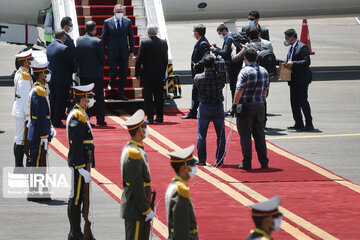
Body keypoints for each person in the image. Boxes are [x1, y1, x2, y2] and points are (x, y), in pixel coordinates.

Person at [66, 83, 96, 240]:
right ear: (83, 99)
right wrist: (80, 168)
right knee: (76, 196)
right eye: (89, 97)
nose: (91, 100)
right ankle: (75, 232)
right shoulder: (78, 116)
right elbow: (76, 144)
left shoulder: (81, 113)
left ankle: (79, 230)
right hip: (80, 162)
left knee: (81, 196)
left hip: (84, 161)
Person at [231, 48, 269, 170]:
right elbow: (265, 92)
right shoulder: (264, 71)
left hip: (246, 107)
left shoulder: (244, 71)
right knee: (260, 135)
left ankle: (247, 163)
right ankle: (264, 162)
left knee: (245, 136)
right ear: (257, 58)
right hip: (260, 106)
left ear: (245, 58)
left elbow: (239, 90)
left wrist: (234, 104)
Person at [121, 109, 155, 240]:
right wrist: (146, 209)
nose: (146, 129)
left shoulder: (137, 148)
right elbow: (136, 185)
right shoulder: (133, 153)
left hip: (138, 206)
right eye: (144, 127)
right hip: (135, 207)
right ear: (139, 130)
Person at [194, 54, 226, 166]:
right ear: (214, 65)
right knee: (221, 135)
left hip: (204, 106)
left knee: (202, 135)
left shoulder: (198, 78)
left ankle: (202, 159)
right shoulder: (219, 77)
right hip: (217, 106)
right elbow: (223, 80)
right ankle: (220, 159)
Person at [282, 29, 314, 131]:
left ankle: (309, 124)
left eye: (287, 38)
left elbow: (307, 61)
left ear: (292, 37)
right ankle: (298, 123)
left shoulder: (302, 47)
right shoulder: (292, 47)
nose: (286, 40)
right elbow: (289, 61)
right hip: (293, 80)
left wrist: (294, 64)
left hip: (301, 79)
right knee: (294, 102)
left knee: (302, 101)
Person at [135, 24, 168, 123]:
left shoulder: (145, 43)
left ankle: (150, 118)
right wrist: (162, 72)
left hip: (147, 75)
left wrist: (137, 73)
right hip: (159, 74)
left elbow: (139, 59)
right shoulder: (163, 43)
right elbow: (165, 60)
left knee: (148, 97)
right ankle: (160, 117)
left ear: (148, 32)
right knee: (159, 96)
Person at [76, 21, 106, 126]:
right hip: (96, 73)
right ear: (94, 29)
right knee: (99, 96)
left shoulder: (79, 40)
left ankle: (86, 119)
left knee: (85, 97)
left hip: (84, 73)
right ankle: (100, 120)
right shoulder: (97, 41)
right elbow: (102, 59)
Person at [165, 145, 199, 240]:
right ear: (183, 168)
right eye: (192, 165)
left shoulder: (174, 185)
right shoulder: (180, 190)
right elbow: (181, 226)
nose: (195, 168)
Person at [102, 4, 135, 100]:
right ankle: (111, 82)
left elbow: (131, 37)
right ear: (114, 12)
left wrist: (132, 51)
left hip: (124, 51)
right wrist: (102, 51)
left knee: (124, 73)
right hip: (112, 51)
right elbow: (104, 38)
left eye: (121, 12)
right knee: (114, 70)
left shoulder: (127, 22)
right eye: (118, 12)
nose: (120, 13)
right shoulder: (107, 22)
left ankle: (121, 93)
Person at [27, 62, 55, 168]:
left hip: (38, 130)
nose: (48, 75)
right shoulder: (38, 91)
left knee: (37, 160)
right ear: (40, 75)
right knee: (36, 162)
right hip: (38, 132)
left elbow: (45, 114)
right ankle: (34, 184)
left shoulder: (40, 89)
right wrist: (44, 135)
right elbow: (40, 115)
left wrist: (50, 127)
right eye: (46, 73)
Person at [47, 29, 75, 128]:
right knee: (61, 100)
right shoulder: (64, 48)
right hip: (62, 79)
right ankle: (57, 121)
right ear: (63, 37)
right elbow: (71, 63)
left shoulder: (49, 46)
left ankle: (52, 118)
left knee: (53, 99)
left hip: (52, 78)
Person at [182, 24, 210, 119]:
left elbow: (206, 57)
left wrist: (197, 64)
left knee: (196, 91)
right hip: (197, 72)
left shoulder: (203, 43)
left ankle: (193, 112)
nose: (193, 33)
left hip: (199, 72)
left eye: (194, 31)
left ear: (197, 33)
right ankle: (193, 111)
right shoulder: (201, 42)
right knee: (196, 91)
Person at [12, 50, 34, 167]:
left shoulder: (20, 73)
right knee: (20, 138)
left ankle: (18, 165)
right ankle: (18, 166)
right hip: (22, 111)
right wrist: (28, 116)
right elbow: (26, 98)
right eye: (29, 60)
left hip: (19, 109)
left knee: (19, 137)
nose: (31, 62)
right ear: (25, 62)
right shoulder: (24, 76)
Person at [211, 24, 242, 101]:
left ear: (224, 31)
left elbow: (225, 52)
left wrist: (214, 50)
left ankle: (234, 106)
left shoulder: (229, 38)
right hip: (237, 64)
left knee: (233, 87)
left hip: (232, 67)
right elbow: (227, 51)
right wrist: (216, 48)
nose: (220, 36)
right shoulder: (233, 37)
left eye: (220, 34)